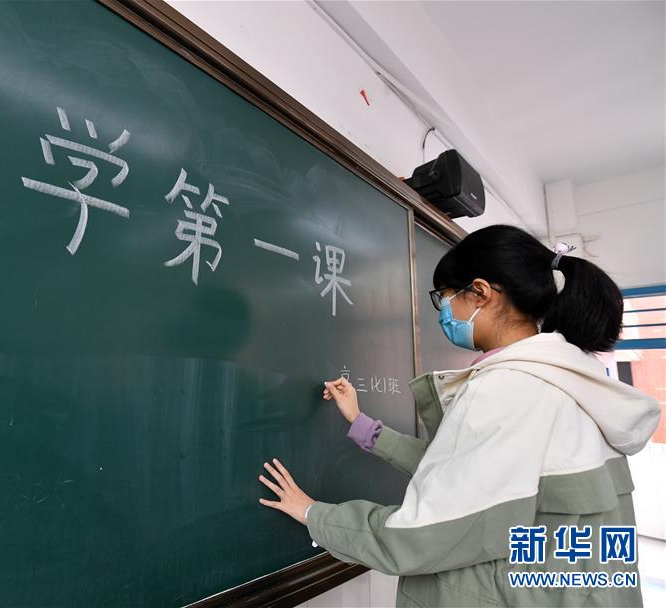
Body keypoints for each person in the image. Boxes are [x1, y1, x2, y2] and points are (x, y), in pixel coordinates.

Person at [257, 224, 661, 607]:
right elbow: (471, 470)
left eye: (445, 296)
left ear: (480, 292)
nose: (443, 311)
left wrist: (314, 514)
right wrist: (363, 426)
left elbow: (421, 535)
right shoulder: (571, 381)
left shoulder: (507, 390)